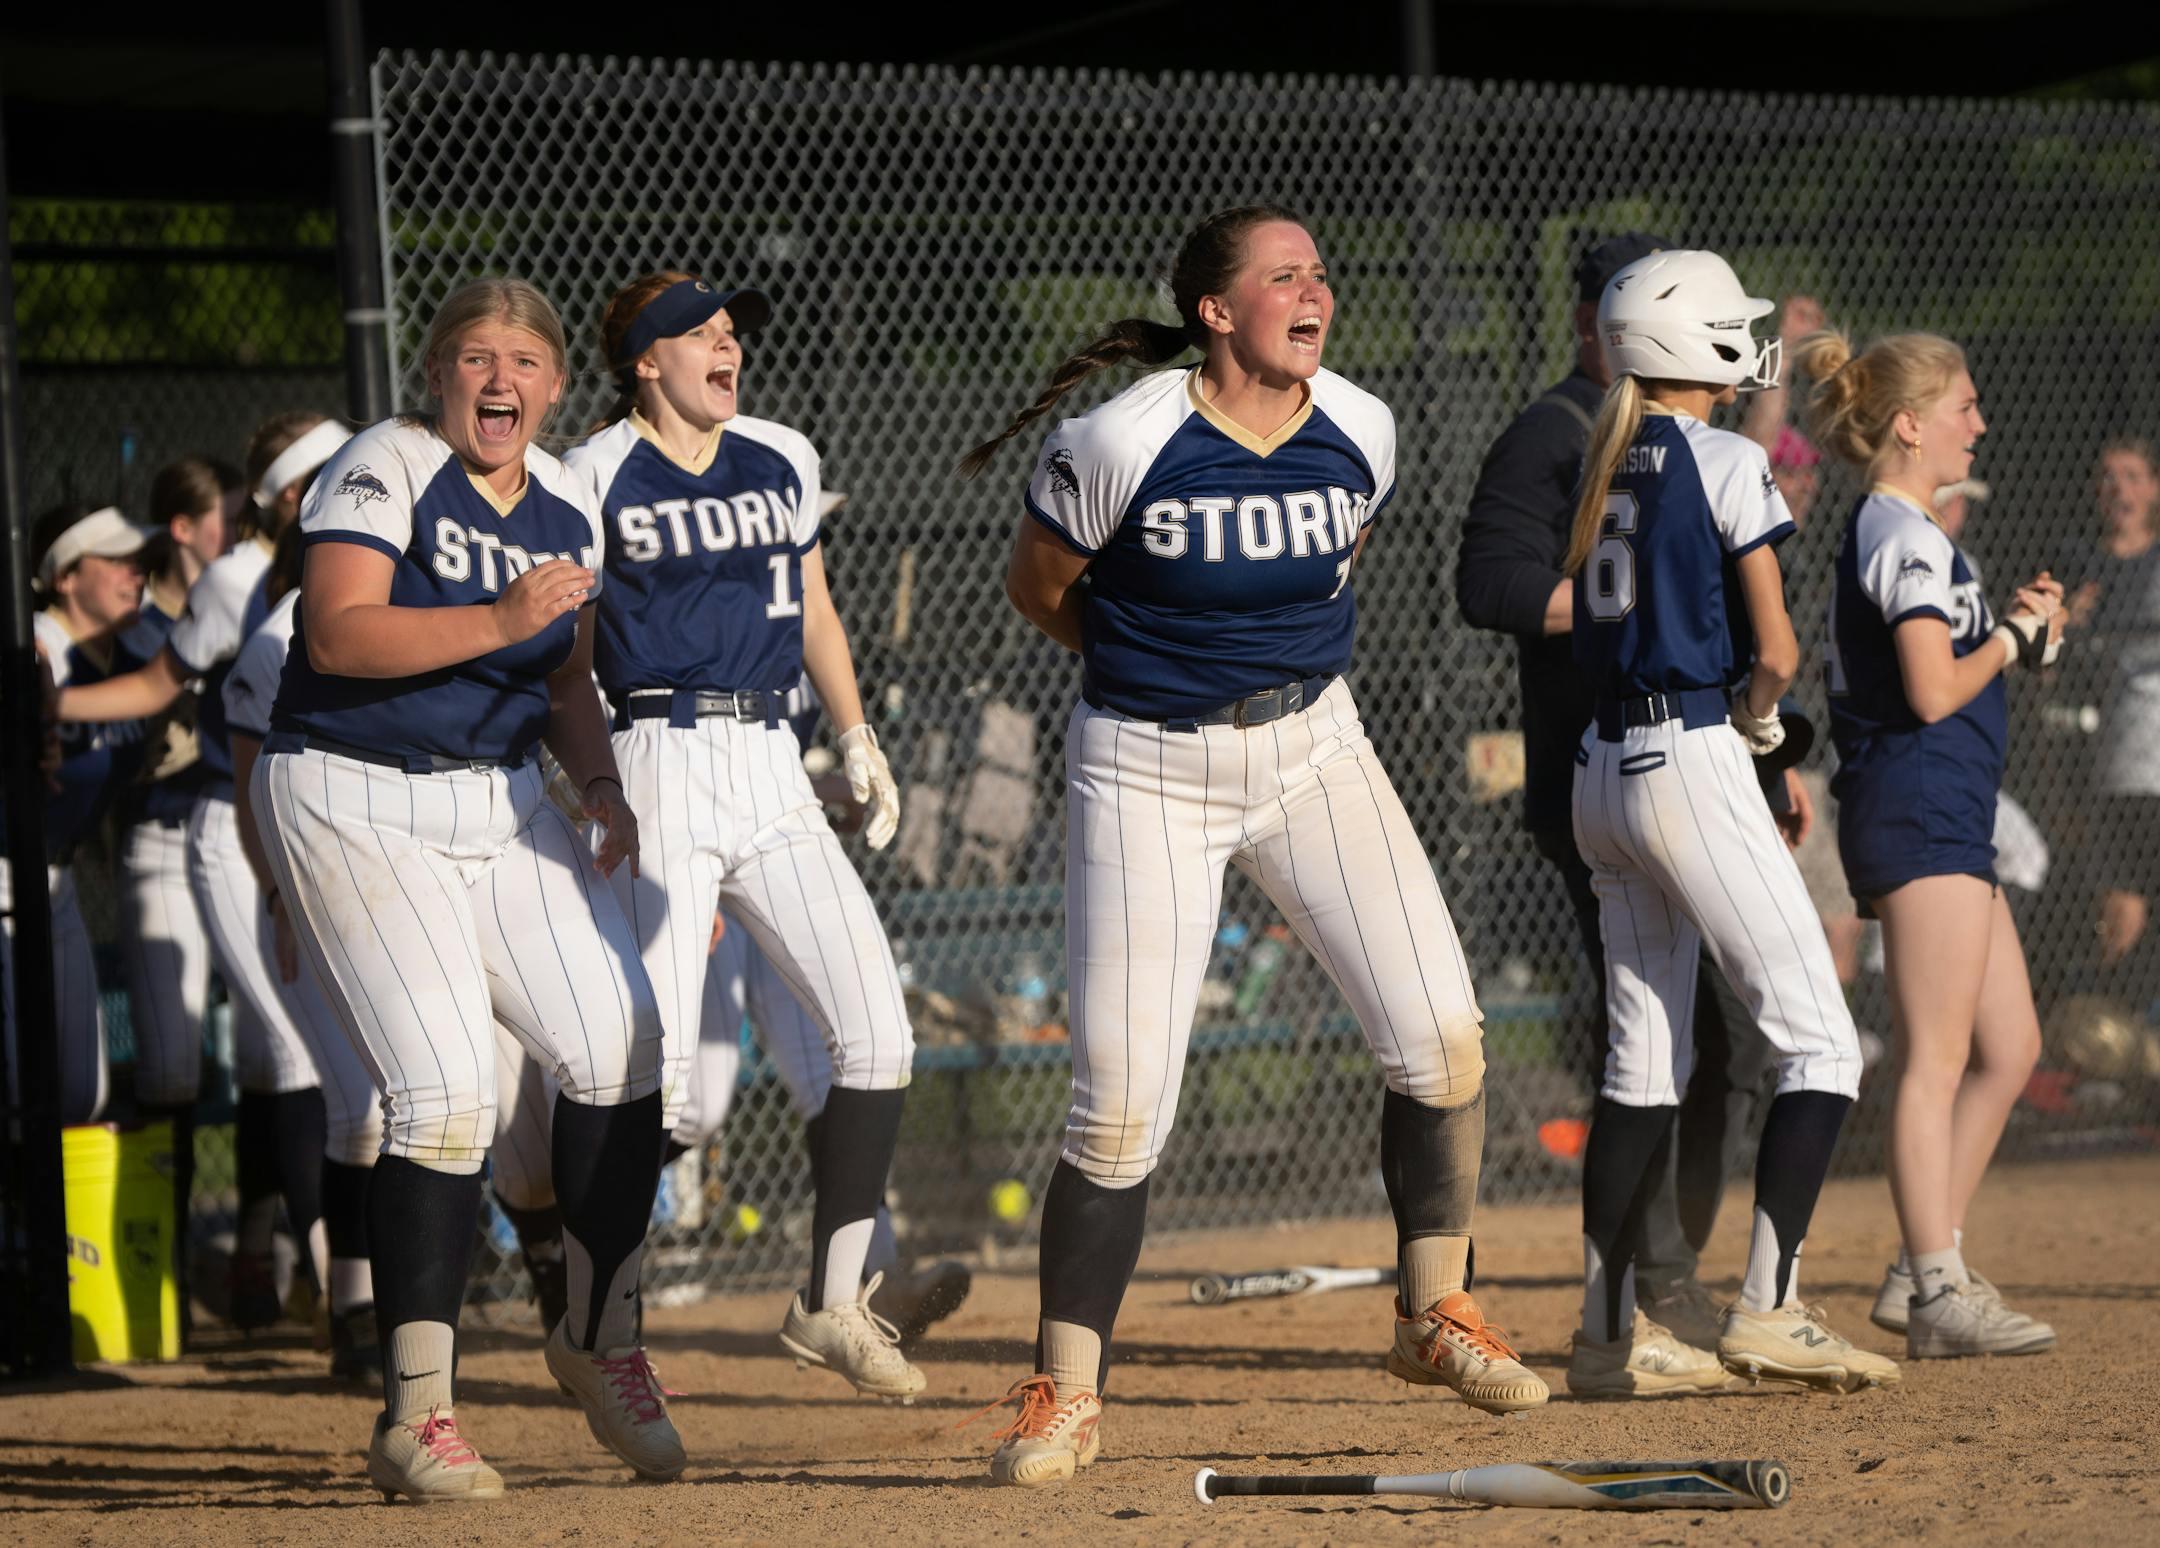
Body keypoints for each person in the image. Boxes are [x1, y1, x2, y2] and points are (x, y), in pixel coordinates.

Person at [959, 203, 1543, 1488]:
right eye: (1283, 276)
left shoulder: (1362, 427)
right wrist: (1163, 674)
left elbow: (1340, 562)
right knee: (1119, 1111)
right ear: (1217, 312)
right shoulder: (1123, 438)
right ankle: (1066, 1392)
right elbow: (1041, 589)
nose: (1313, 290)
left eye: (1321, 272)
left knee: (1443, 1036)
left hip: (1313, 749)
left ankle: (1430, 1311)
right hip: (1146, 764)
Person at [253, 277, 680, 1499]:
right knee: (441, 1097)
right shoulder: (383, 462)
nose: (503, 378)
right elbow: (338, 634)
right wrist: (499, 614)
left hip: (497, 799)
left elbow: (564, 684)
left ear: (554, 386)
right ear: (438, 373)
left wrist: (599, 787)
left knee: (622, 1044)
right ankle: (416, 1420)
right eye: (478, 356)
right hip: (351, 789)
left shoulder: (562, 504)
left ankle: (600, 1339)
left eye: (527, 360)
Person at [563, 272, 920, 1401]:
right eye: (699, 335)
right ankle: (599, 1331)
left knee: (880, 1033)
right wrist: (586, 776)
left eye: (731, 335)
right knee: (660, 1085)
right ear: (643, 363)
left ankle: (831, 1302)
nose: (726, 348)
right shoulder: (590, 473)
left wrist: (856, 735)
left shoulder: (781, 452)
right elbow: (567, 644)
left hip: (772, 760)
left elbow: (812, 603)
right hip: (656, 755)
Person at [1563, 250, 1895, 1399]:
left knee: (1645, 1059)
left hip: (1598, 765)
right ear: (1687, 344)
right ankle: (1772, 1310)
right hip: (1687, 756)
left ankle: (1607, 1336)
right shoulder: (1726, 455)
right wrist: (1763, 729)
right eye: (1731, 324)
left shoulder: (1604, 453)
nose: (1747, 339)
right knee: (1821, 1041)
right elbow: (1778, 655)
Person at [1456, 232, 1784, 1353]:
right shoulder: (1553, 437)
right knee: (1664, 1037)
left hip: (1694, 761)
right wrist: (1615, 608)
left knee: (1709, 1044)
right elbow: (1488, 584)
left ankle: (1662, 1273)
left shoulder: (1692, 450)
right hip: (1597, 769)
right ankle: (1658, 1279)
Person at [1802, 326, 2062, 1359]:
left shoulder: (1915, 532)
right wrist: (2008, 638)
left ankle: (1923, 1266)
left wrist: (2014, 635)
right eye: (1962, 405)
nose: (1979, 423)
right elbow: (1929, 686)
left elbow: (1948, 670)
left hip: (1948, 807)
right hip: (1914, 806)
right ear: (1910, 424)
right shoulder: (1897, 532)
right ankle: (1938, 1284)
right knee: (1938, 1058)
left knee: (2012, 1049)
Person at [61, 415, 348, 1332]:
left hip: (338, 825)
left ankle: (278, 1269)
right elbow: (154, 686)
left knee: (290, 1061)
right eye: (332, 471)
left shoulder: (382, 546)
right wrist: (52, 700)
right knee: (293, 1052)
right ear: (292, 496)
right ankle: (346, 1295)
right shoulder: (238, 578)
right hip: (237, 826)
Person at [220, 521, 388, 1380]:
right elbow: (255, 779)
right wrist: (281, 895)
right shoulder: (278, 633)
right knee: (357, 1108)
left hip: (392, 871)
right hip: (304, 872)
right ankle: (352, 1306)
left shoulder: (415, 603)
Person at [5, 505, 153, 1127]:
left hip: (56, 877)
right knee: (20, 1089)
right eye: (114, 560)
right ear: (64, 577)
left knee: (80, 1095)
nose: (134, 573)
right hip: (8, 875)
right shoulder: (34, 644)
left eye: (138, 561)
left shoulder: (134, 650)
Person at [114, 457, 242, 1136]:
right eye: (228, 513)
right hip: (166, 838)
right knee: (171, 1068)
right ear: (183, 528)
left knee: (273, 1055)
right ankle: (164, 1241)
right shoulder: (135, 629)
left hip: (242, 836)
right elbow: (121, 747)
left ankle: (261, 1233)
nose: (243, 527)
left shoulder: (252, 597)